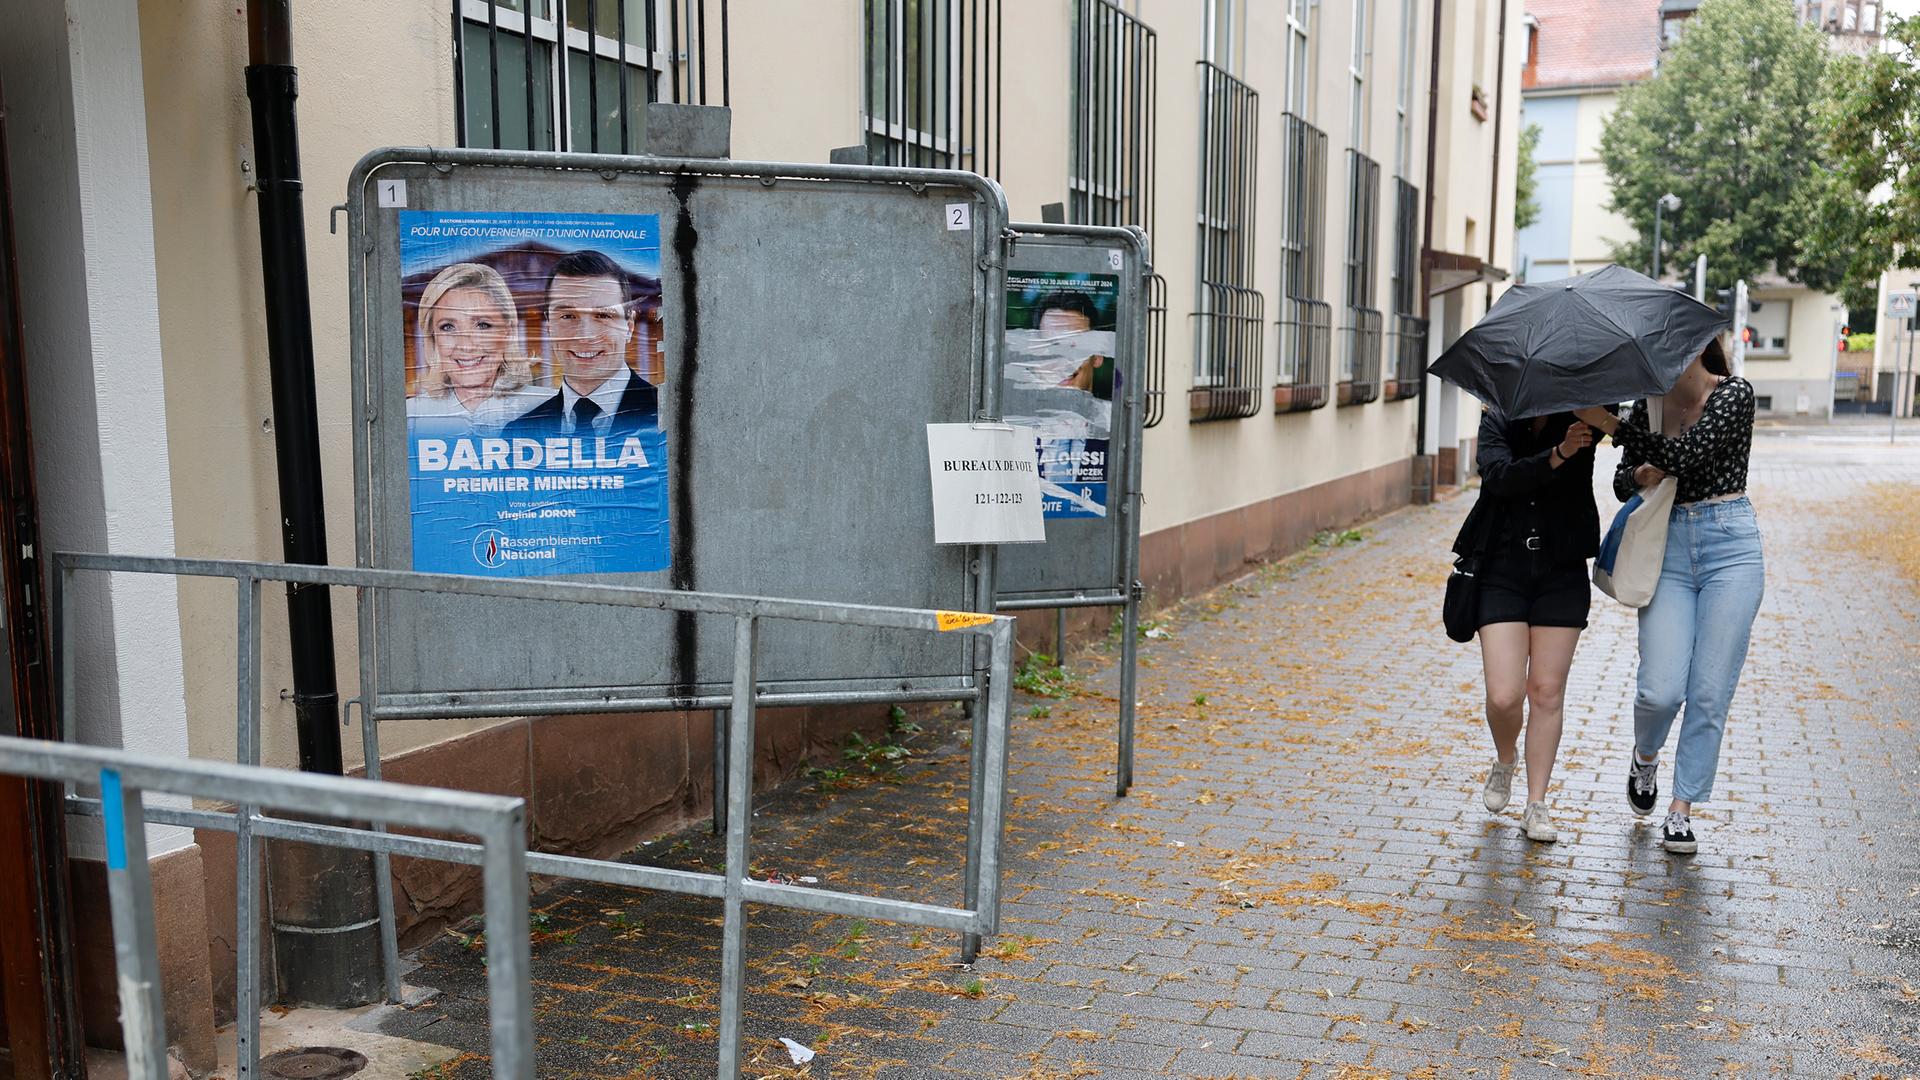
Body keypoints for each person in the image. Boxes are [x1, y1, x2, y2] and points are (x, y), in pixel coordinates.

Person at [1575, 337, 1760, 855]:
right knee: (1659, 689)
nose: (1658, 367)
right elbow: (1619, 482)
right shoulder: (1648, 408)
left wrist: (1611, 426)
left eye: (1667, 355)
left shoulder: (1734, 394)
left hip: (1731, 546)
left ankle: (1681, 808)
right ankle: (1645, 755)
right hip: (1669, 547)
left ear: (1699, 351)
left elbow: (1690, 454)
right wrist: (1637, 471)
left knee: (1709, 691)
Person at [1453, 409, 1602, 842]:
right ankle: (1504, 760)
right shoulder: (1497, 418)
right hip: (1502, 568)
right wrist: (1558, 453)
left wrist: (1600, 427)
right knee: (1504, 696)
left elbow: (1626, 449)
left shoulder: (1585, 418)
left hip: (1562, 571)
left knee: (1546, 692)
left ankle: (1536, 804)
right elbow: (1499, 477)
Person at [508, 250, 658, 438]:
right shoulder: (517, 432)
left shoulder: (668, 415)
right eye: (568, 316)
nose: (585, 336)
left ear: (629, 326)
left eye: (603, 315)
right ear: (549, 326)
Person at [407, 263, 548, 435]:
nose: (466, 345)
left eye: (482, 325)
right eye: (448, 327)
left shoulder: (551, 410)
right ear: (433, 337)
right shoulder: (410, 417)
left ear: (508, 332)